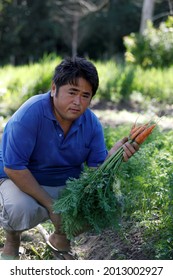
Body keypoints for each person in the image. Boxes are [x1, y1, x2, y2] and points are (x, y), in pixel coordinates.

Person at [0, 56, 139, 260]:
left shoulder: (91, 124)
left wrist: (113, 157)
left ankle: (60, 237)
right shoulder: (30, 114)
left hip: (65, 184)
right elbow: (14, 168)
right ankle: (12, 239)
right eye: (72, 92)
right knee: (19, 209)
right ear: (54, 88)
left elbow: (95, 172)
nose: (78, 102)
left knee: (108, 203)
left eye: (85, 95)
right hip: (19, 180)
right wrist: (52, 206)